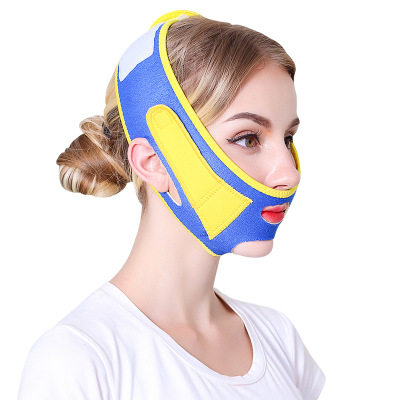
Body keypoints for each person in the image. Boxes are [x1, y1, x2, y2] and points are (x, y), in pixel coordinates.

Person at [18, 10, 326, 400]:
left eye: (288, 138)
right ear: (154, 162)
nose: (289, 174)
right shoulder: (80, 359)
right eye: (248, 138)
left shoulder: (278, 338)